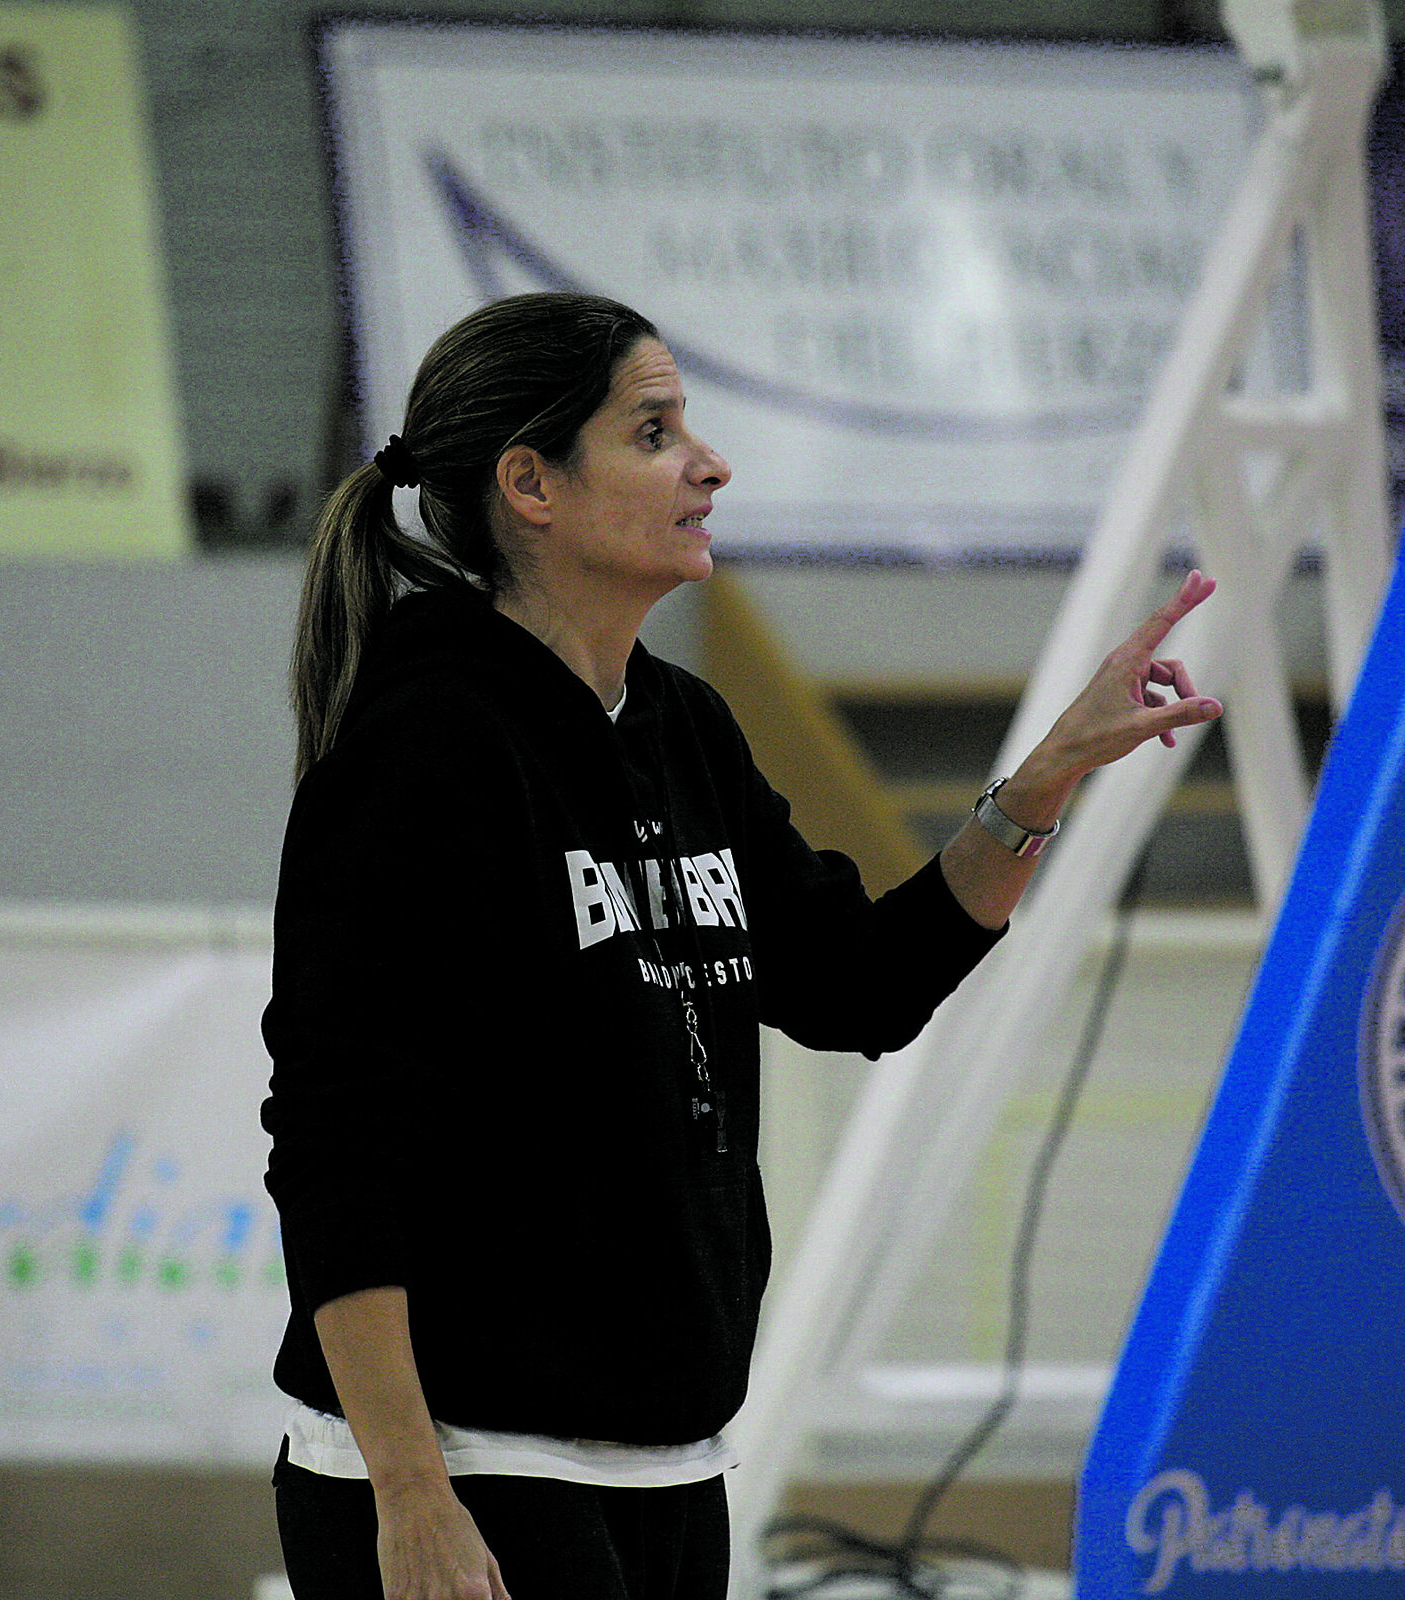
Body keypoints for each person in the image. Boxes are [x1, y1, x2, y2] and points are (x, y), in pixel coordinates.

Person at [260, 291, 1221, 1600]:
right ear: (529, 484)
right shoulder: (427, 747)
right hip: (471, 1480)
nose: (708, 464)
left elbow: (858, 986)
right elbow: (335, 1143)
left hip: (668, 1471)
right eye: (654, 433)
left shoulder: (683, 726)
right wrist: (409, 1491)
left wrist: (1044, 778)